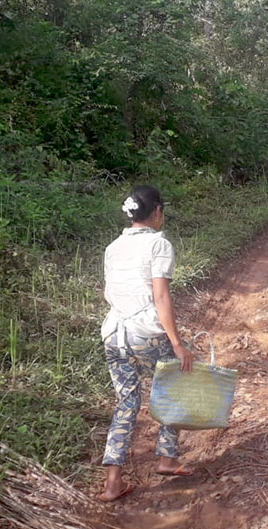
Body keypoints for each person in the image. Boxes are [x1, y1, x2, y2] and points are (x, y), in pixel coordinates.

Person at [98, 185, 196, 502]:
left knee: (125, 405)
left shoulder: (113, 247)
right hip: (146, 334)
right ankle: (167, 458)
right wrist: (177, 343)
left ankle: (113, 482)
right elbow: (161, 297)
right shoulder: (159, 244)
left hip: (114, 334)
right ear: (156, 211)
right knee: (173, 387)